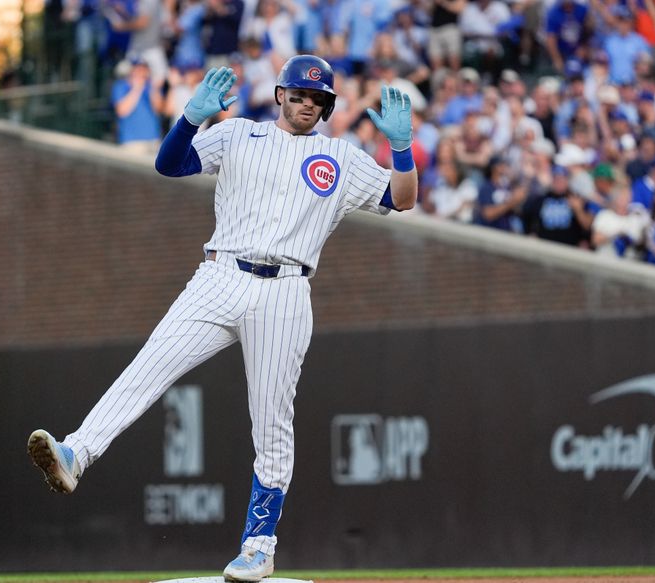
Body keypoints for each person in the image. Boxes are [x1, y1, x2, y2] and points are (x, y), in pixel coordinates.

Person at [26, 55, 417, 581]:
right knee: (149, 366)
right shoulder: (237, 135)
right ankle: (76, 454)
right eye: (299, 94)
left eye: (317, 99)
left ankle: (259, 546)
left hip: (286, 290)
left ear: (327, 107)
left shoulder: (340, 158)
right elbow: (170, 165)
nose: (307, 104)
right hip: (219, 275)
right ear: (280, 94)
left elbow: (402, 198)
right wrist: (190, 118)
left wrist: (400, 148)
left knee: (271, 423)